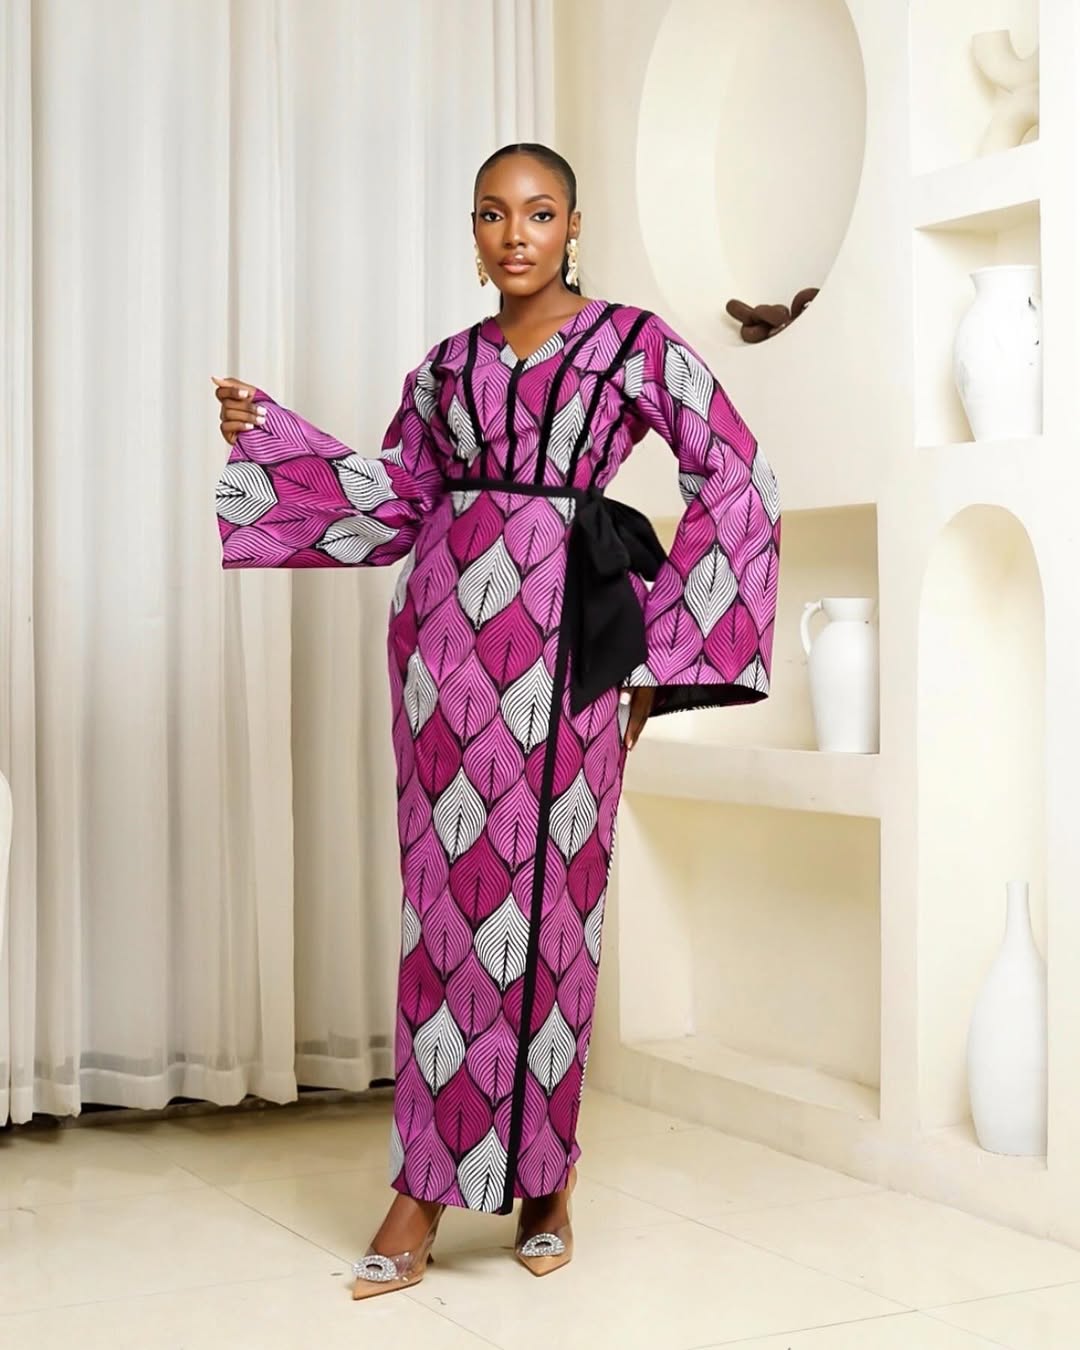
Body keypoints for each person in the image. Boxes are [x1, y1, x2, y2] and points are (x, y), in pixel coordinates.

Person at [213, 142, 780, 1299]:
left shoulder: (634, 344)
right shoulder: (443, 369)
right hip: (443, 657)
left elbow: (735, 473)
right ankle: (421, 1189)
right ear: (473, 233)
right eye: (491, 213)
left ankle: (548, 1179)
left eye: (538, 212)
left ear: (574, 226)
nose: (515, 232)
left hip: (573, 650)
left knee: (556, 907)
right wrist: (269, 439)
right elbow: (398, 502)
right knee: (447, 912)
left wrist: (661, 661)